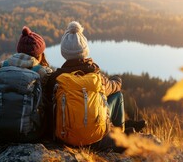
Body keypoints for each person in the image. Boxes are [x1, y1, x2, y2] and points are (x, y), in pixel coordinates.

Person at [45, 21, 126, 152]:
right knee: (118, 95)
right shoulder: (96, 77)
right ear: (85, 51)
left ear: (64, 53)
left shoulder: (56, 79)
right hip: (96, 138)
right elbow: (115, 87)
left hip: (64, 140)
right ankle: (119, 137)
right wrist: (117, 79)